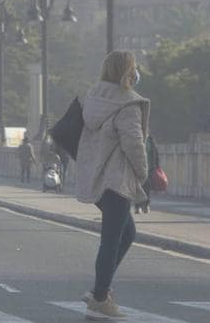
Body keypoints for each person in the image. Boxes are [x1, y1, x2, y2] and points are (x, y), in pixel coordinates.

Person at [76, 50, 149, 319]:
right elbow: (134, 142)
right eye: (133, 67)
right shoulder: (127, 104)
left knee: (126, 234)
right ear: (125, 72)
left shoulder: (95, 97)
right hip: (117, 180)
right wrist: (143, 174)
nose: (136, 71)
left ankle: (98, 289)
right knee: (111, 240)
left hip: (97, 177)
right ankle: (100, 297)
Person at [135, 135, 159, 214]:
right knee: (138, 187)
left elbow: (155, 153)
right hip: (138, 167)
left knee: (147, 187)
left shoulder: (150, 139)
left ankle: (146, 205)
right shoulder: (137, 137)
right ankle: (137, 206)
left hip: (149, 168)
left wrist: (157, 166)